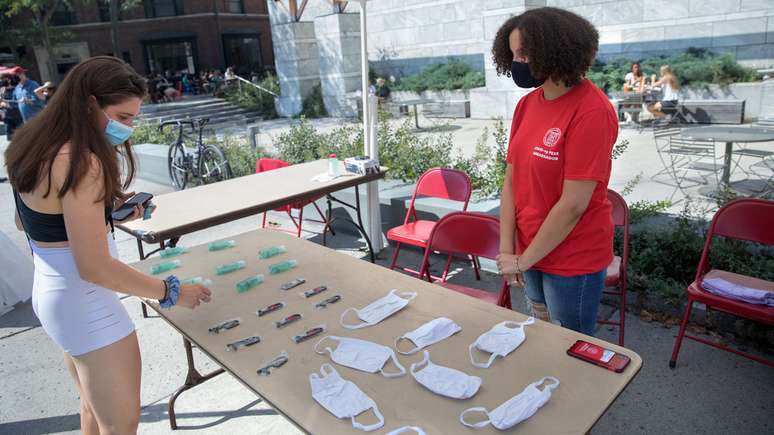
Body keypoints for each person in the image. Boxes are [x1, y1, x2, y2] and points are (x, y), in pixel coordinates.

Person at [4, 56, 211, 434]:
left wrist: (103, 215)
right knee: (120, 425)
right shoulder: (81, 161)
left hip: (54, 297)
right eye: (123, 116)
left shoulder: (31, 143)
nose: (128, 128)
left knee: (92, 412)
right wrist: (171, 292)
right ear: (90, 103)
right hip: (89, 305)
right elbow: (95, 267)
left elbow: (30, 222)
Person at [491, 7, 618, 336]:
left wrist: (523, 260)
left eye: (523, 53)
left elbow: (574, 204)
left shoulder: (592, 111)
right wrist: (509, 250)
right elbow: (511, 184)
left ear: (555, 49)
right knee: (540, 333)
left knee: (568, 346)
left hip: (571, 258)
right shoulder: (528, 105)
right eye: (513, 53)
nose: (517, 62)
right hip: (528, 250)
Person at [1, 76, 23, 140]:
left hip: (18, 117)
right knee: (10, 138)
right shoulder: (3, 91)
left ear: (9, 81)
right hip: (7, 118)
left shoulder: (16, 90)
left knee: (21, 137)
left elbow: (18, 103)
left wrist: (7, 104)